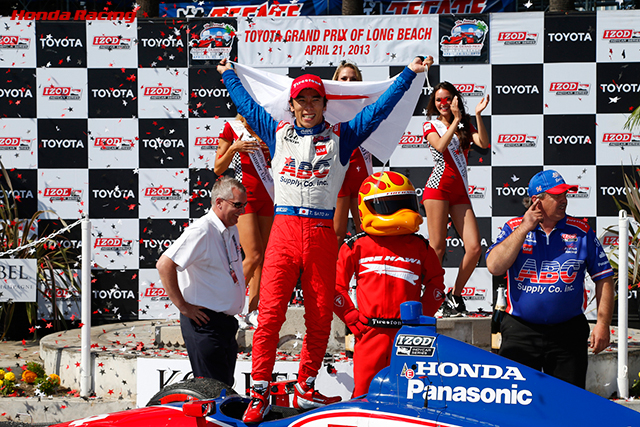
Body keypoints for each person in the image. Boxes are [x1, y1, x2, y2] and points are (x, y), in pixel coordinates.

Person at [217, 55, 433, 423]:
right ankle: (259, 391)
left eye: (314, 100)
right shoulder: (276, 133)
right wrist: (227, 74)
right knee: (270, 315)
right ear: (292, 105)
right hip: (284, 232)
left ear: (324, 104)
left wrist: (409, 74)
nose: (308, 107)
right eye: (301, 100)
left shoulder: (343, 138)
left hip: (321, 232)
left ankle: (306, 386)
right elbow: (247, 106)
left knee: (319, 317)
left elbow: (379, 110)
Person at [485, 169, 614, 388]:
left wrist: (603, 324)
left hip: (568, 332)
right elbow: (495, 266)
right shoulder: (514, 228)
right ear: (537, 201)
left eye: (565, 194)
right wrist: (525, 228)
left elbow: (604, 278)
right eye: (557, 195)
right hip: (521, 331)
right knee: (517, 399)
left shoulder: (582, 231)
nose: (564, 200)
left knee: (567, 401)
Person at [334, 171, 445, 397]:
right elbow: (335, 287)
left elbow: (436, 285)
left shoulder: (420, 247)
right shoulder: (356, 246)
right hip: (370, 332)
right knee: (364, 393)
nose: (401, 211)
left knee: (410, 392)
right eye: (391, 205)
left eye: (405, 203)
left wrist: (421, 317)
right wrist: (351, 317)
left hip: (408, 334)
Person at [156, 176, 247, 387]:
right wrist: (183, 306)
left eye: (244, 205)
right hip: (205, 323)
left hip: (225, 323)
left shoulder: (230, 227)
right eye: (237, 205)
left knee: (224, 389)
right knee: (213, 392)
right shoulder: (201, 230)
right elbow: (164, 265)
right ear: (219, 202)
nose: (242, 211)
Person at [422, 81, 489, 316]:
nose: (443, 103)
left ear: (455, 100)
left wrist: (477, 116)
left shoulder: (464, 124)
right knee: (437, 247)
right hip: (437, 190)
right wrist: (455, 121)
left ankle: (455, 296)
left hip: (460, 192)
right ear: (434, 103)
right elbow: (441, 146)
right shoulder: (430, 125)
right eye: (438, 100)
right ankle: (431, 297)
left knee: (474, 247)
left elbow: (483, 143)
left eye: (447, 98)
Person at [214, 115, 274, 314]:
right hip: (245, 198)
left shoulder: (268, 123)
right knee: (253, 255)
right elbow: (218, 168)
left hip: (269, 196)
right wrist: (234, 148)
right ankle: (225, 305)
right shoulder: (232, 127)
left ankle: (251, 311)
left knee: (261, 258)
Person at [332, 61, 372, 244]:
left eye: (353, 79)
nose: (348, 82)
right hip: (337, 172)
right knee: (337, 233)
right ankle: (336, 265)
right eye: (344, 78)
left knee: (365, 229)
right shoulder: (327, 106)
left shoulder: (367, 104)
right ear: (336, 80)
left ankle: (366, 264)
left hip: (360, 171)